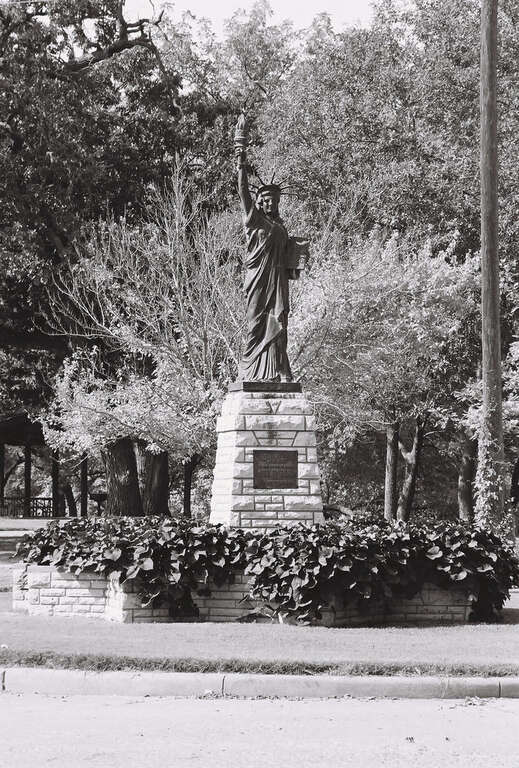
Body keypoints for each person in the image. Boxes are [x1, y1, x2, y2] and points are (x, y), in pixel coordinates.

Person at [235, 144, 294, 382]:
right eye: (267, 200)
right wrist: (241, 163)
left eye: (275, 200)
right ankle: (250, 370)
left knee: (279, 322)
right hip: (258, 279)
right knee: (255, 325)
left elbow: (288, 258)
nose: (271, 204)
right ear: (260, 201)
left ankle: (280, 370)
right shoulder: (254, 220)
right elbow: (242, 192)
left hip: (278, 280)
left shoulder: (281, 228)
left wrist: (297, 258)